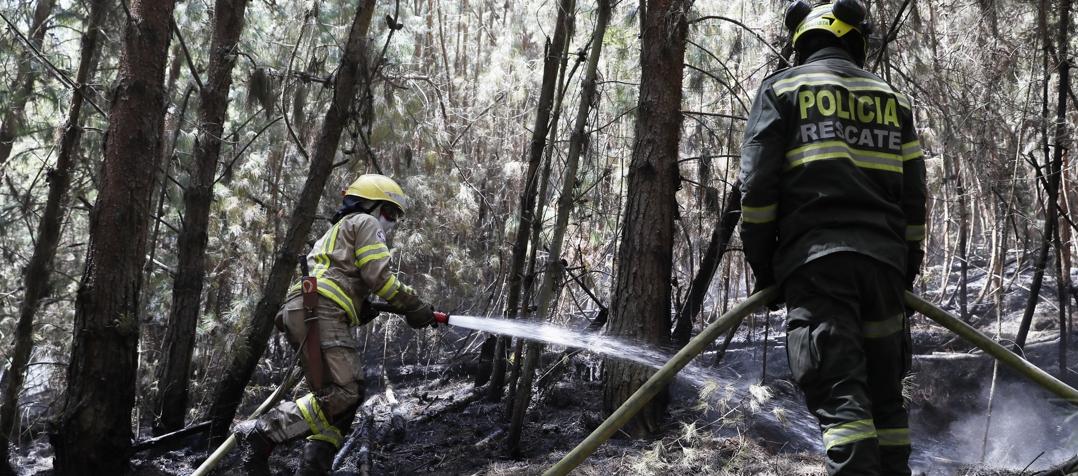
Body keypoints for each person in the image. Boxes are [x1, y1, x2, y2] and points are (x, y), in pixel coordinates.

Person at [738, 1, 927, 474]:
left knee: (842, 402)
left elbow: (757, 191)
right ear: (855, 39)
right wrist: (904, 268)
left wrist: (767, 271)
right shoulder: (892, 98)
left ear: (801, 41)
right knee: (886, 401)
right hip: (884, 268)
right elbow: (914, 197)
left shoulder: (782, 89)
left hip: (817, 268)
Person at [234, 174, 438, 476]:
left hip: (307, 309)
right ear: (369, 205)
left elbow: (340, 276)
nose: (391, 222)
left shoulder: (338, 230)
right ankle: (262, 432)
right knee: (345, 393)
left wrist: (359, 306)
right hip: (319, 310)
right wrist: (415, 306)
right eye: (389, 212)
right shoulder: (365, 223)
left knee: (337, 405)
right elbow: (379, 278)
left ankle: (314, 468)